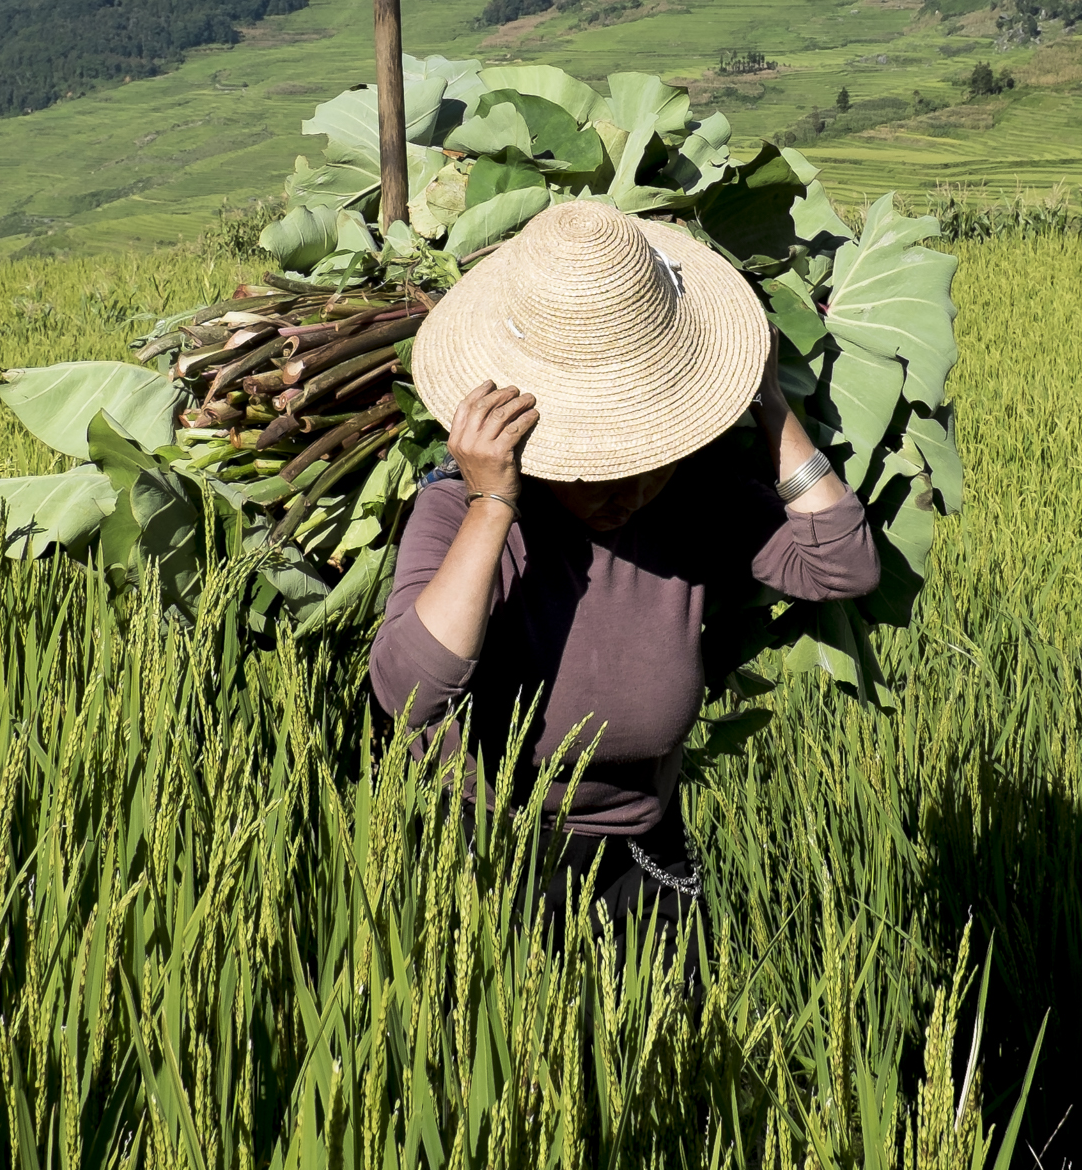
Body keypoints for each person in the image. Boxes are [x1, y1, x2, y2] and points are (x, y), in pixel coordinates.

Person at [370, 199, 880, 942]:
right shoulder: (460, 510)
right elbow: (408, 691)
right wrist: (492, 503)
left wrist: (769, 404)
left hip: (644, 851)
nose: (632, 491)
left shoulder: (694, 498)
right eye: (601, 467)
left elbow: (843, 566)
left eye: (651, 458)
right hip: (487, 847)